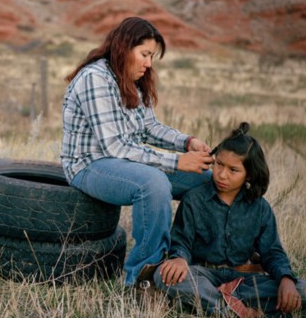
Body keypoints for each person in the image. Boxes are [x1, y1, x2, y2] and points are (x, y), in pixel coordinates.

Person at [60, 17, 214, 286]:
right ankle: (142, 280)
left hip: (124, 163)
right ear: (123, 47)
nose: (149, 63)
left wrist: (187, 143)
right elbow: (115, 147)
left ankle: (186, 258)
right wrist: (177, 161)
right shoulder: (95, 78)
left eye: (152, 56)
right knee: (153, 183)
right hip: (89, 166)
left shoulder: (133, 79)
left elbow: (150, 127)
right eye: (144, 54)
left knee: (206, 180)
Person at [154, 122, 306, 318]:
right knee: (163, 276)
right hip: (203, 276)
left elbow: (272, 252)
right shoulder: (194, 199)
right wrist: (179, 259)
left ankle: (218, 308)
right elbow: (182, 242)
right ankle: (238, 313)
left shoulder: (259, 207)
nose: (222, 174)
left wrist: (285, 279)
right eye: (219, 164)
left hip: (243, 280)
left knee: (303, 291)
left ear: (249, 174)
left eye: (233, 170)